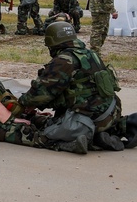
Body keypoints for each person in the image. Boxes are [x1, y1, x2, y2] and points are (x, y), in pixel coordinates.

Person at [14, 22, 134, 152]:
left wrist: (21, 104)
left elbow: (39, 95)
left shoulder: (63, 61)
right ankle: (112, 131)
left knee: (42, 135)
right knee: (53, 119)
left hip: (86, 121)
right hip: (111, 112)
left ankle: (82, 142)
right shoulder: (90, 54)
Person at [0, 36, 78, 152]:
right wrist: (12, 119)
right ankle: (60, 144)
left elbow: (1, 95)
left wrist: (24, 112)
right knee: (21, 131)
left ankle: (75, 134)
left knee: (42, 121)